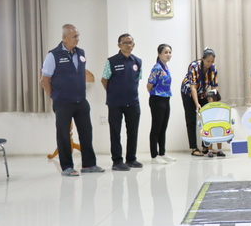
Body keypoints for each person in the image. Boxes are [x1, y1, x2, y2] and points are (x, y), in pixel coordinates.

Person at [40, 24, 104, 176]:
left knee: (86, 132)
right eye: (74, 36)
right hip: (62, 102)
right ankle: (67, 167)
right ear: (64, 38)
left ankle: (89, 165)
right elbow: (44, 80)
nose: (77, 39)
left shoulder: (81, 53)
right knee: (63, 134)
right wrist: (54, 96)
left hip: (81, 101)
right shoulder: (53, 55)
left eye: (78, 36)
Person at [101, 33, 143, 171]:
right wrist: (113, 93)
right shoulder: (111, 61)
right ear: (119, 45)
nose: (128, 45)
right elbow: (104, 80)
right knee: (115, 132)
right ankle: (117, 161)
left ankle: (131, 159)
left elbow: (137, 80)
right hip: (115, 103)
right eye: (125, 43)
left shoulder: (138, 61)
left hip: (133, 102)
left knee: (133, 132)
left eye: (131, 43)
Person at [180, 47, 219, 157]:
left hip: (202, 93)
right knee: (191, 119)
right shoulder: (194, 66)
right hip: (188, 93)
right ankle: (194, 148)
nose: (210, 64)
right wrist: (197, 103)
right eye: (208, 61)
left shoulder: (213, 68)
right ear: (203, 59)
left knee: (207, 118)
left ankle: (206, 146)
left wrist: (213, 102)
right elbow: (193, 88)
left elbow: (214, 87)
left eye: (212, 61)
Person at [147, 44, 176, 164]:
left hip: (166, 99)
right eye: (165, 52)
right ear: (159, 54)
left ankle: (162, 153)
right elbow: (149, 85)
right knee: (156, 127)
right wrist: (155, 95)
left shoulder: (166, 67)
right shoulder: (157, 68)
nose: (168, 54)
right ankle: (154, 155)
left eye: (169, 52)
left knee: (163, 127)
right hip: (157, 99)